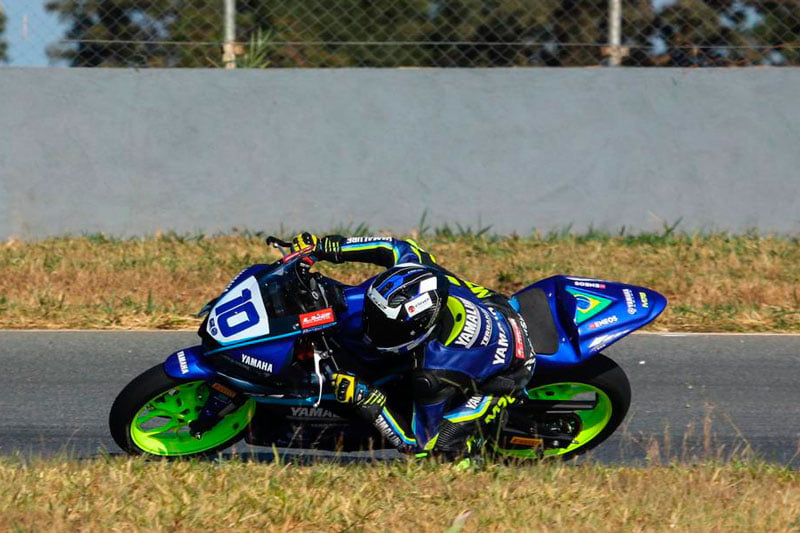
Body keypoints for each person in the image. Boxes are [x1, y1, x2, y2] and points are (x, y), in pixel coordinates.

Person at [291, 233, 536, 461]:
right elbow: (393, 246)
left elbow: (417, 444)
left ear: (418, 330)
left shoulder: (433, 372)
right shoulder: (417, 270)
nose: (371, 330)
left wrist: (367, 399)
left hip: (512, 367)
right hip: (495, 305)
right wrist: (328, 248)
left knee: (442, 450)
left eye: (385, 328)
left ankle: (469, 451)